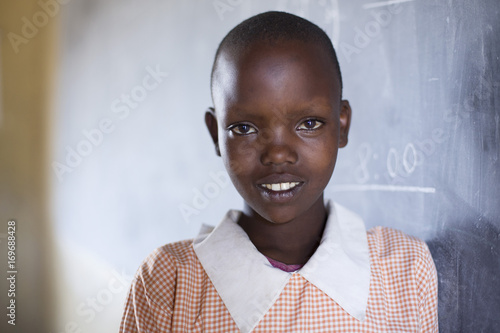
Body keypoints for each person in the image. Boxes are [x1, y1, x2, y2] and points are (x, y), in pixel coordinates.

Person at [119, 11, 438, 333]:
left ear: (342, 125)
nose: (278, 154)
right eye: (244, 128)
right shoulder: (170, 279)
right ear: (215, 133)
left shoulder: (404, 268)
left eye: (309, 124)